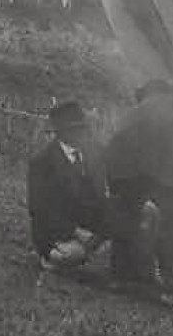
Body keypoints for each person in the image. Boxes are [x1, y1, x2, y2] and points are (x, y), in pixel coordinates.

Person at [102, 80, 173, 292]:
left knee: (129, 218)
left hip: (123, 173)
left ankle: (122, 277)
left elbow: (113, 147)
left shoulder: (135, 111)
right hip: (165, 174)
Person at [27, 101, 115, 271]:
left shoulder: (93, 152)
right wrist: (76, 232)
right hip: (57, 232)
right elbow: (39, 209)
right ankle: (51, 255)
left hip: (91, 223)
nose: (83, 134)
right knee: (72, 255)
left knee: (145, 211)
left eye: (83, 128)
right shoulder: (42, 162)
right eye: (76, 129)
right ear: (61, 133)